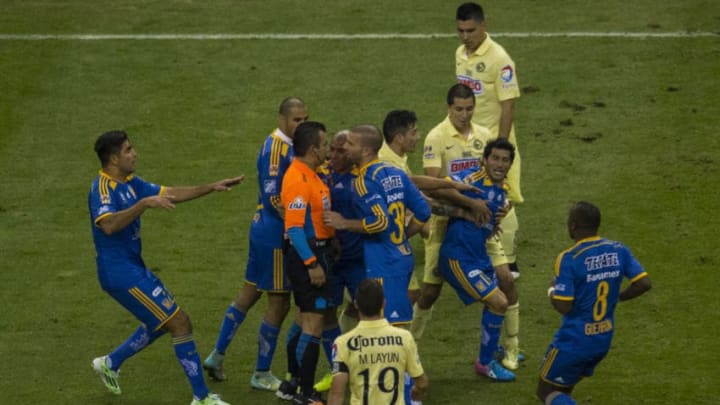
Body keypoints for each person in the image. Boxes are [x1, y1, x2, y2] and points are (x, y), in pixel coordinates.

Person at [88, 130, 243, 405]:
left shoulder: (130, 182)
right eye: (128, 150)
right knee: (179, 322)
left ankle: (111, 362)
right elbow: (109, 225)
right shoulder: (102, 189)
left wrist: (211, 186)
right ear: (113, 158)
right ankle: (202, 397)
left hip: (133, 267)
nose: (135, 154)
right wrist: (143, 204)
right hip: (120, 273)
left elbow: (170, 193)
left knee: (160, 322)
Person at [412, 83, 521, 372]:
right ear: (449, 108)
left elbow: (494, 181)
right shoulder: (436, 137)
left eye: (469, 108)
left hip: (481, 227)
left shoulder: (485, 136)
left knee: (506, 280)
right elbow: (434, 187)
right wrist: (470, 206)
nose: (464, 114)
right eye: (458, 109)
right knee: (430, 293)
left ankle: (509, 346)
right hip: (448, 225)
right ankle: (409, 348)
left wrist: (496, 208)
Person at [204, 97, 308, 391]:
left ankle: (216, 355)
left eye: (305, 119)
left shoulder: (286, 146)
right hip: (275, 233)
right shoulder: (277, 150)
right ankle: (261, 372)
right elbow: (275, 198)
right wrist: (301, 225)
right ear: (282, 119)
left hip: (262, 227)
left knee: (249, 293)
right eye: (296, 120)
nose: (301, 125)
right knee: (279, 302)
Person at [537, 202, 651, 405]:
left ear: (572, 225)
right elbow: (643, 283)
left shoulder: (569, 258)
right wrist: (619, 297)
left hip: (574, 341)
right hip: (602, 338)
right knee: (564, 386)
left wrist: (552, 290)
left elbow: (564, 306)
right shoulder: (619, 250)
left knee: (546, 390)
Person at [324, 124, 432, 328]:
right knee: (383, 322)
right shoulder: (395, 173)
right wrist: (402, 236)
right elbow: (424, 211)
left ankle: (404, 359)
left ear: (365, 150)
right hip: (402, 255)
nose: (346, 146)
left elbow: (381, 222)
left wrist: (344, 223)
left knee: (389, 327)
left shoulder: (364, 181)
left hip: (384, 261)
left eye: (350, 143)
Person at [437, 137, 517, 382]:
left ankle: (490, 350)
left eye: (505, 160)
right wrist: (465, 208)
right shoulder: (470, 180)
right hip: (457, 258)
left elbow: (488, 220)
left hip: (477, 256)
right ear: (484, 159)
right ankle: (485, 363)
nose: (499, 164)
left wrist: (493, 224)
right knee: (500, 302)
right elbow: (433, 196)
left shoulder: (502, 192)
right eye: (495, 158)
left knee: (497, 302)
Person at [455, 2, 523, 280]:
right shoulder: (460, 53)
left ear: (484, 26)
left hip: (495, 141)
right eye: (460, 30)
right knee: (474, 192)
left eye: (470, 30)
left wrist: (501, 148)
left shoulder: (500, 59)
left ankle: (510, 261)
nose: (465, 36)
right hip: (470, 140)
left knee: (504, 197)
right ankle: (481, 249)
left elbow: (508, 106)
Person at [279, 121, 336, 405]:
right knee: (313, 325)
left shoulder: (309, 174)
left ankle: (292, 383)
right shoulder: (298, 180)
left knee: (304, 321)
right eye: (325, 144)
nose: (327, 149)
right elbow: (295, 229)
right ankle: (306, 393)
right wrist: (313, 264)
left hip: (318, 253)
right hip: (309, 256)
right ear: (313, 149)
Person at [327, 279, 428, 405]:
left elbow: (337, 393)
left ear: (356, 304)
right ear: (383, 304)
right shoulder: (404, 337)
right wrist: (417, 390)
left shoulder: (343, 343)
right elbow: (421, 381)